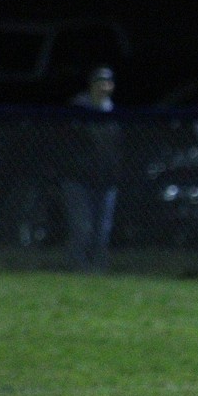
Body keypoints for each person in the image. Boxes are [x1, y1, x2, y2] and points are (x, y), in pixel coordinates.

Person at [60, 66, 121, 272]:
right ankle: (77, 269)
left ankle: (98, 270)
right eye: (99, 82)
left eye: (107, 82)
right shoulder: (78, 111)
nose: (103, 87)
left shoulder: (114, 113)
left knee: (102, 230)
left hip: (105, 180)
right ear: (91, 86)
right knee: (82, 228)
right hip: (78, 179)